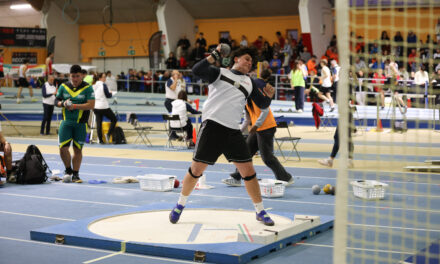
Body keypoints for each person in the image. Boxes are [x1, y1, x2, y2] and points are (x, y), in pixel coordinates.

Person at [169, 46, 276, 226]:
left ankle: (260, 211)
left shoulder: (250, 83)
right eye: (247, 59)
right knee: (196, 171)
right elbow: (196, 70)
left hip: (233, 131)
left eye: (251, 62)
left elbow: (262, 103)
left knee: (249, 172)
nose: (250, 63)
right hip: (212, 127)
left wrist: (269, 97)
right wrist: (215, 55)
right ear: (236, 59)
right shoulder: (219, 73)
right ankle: (180, 205)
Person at [223, 69, 293, 187]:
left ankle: (286, 177)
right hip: (257, 129)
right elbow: (247, 118)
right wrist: (238, 131)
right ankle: (237, 177)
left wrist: (256, 125)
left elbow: (265, 110)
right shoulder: (244, 98)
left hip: (266, 127)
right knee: (245, 153)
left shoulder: (255, 93)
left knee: (267, 157)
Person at [55, 65, 95, 183]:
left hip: (81, 124)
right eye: (73, 76)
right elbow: (55, 101)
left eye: (77, 76)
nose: (75, 79)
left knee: (77, 150)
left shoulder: (88, 88)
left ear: (82, 75)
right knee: (63, 148)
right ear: (69, 75)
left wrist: (74, 106)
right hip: (66, 122)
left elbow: (91, 105)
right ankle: (68, 171)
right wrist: (63, 104)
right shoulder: (63, 86)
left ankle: (76, 174)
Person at [93, 72, 117, 144]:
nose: (105, 78)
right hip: (103, 106)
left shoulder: (93, 85)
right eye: (104, 77)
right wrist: (111, 93)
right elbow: (108, 95)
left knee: (99, 124)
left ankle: (100, 140)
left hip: (96, 106)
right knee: (114, 119)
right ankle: (108, 134)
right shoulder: (103, 85)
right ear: (100, 78)